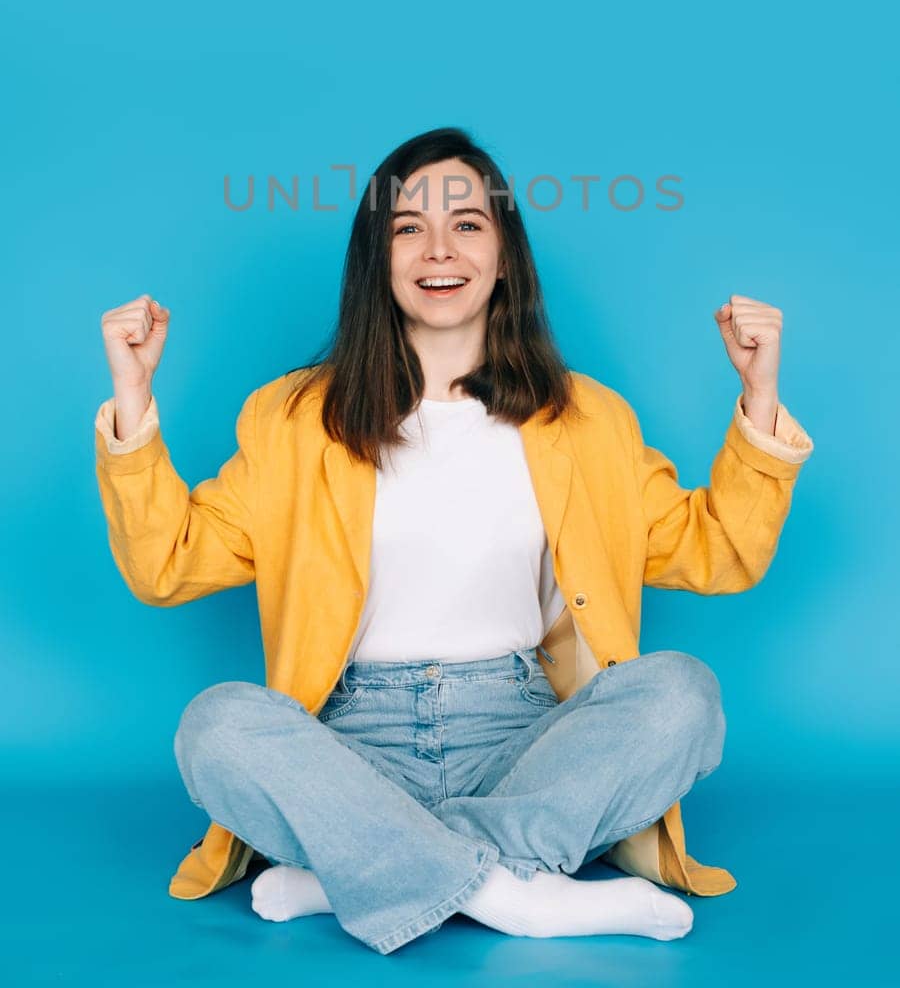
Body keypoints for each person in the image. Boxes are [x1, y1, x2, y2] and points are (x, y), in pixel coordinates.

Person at [95, 125, 814, 957]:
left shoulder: (589, 420)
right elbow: (167, 565)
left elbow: (716, 549)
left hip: (524, 742)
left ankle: (360, 875)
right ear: (379, 259)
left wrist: (759, 396)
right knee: (215, 726)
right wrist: (133, 398)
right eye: (408, 227)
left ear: (505, 255)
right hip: (348, 749)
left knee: (683, 694)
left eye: (468, 223)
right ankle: (521, 897)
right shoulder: (291, 418)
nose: (440, 248)